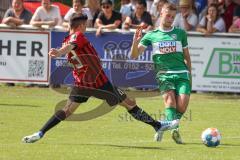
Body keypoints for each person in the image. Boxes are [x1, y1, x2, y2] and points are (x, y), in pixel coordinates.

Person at [22, 13, 179, 143]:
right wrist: (60, 52)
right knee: (129, 103)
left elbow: (69, 47)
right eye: (85, 24)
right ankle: (157, 126)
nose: (86, 27)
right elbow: (72, 46)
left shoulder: (66, 38)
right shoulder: (78, 36)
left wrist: (59, 51)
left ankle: (40, 133)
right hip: (98, 82)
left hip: (81, 83)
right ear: (81, 25)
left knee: (66, 111)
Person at [130, 3, 192, 144]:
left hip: (182, 74)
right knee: (170, 101)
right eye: (168, 15)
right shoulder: (152, 35)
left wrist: (190, 75)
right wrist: (135, 42)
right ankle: (174, 130)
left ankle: (162, 126)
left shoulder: (181, 33)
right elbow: (134, 55)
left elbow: (187, 57)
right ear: (161, 14)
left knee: (182, 106)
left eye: (172, 16)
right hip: (164, 74)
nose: (170, 18)